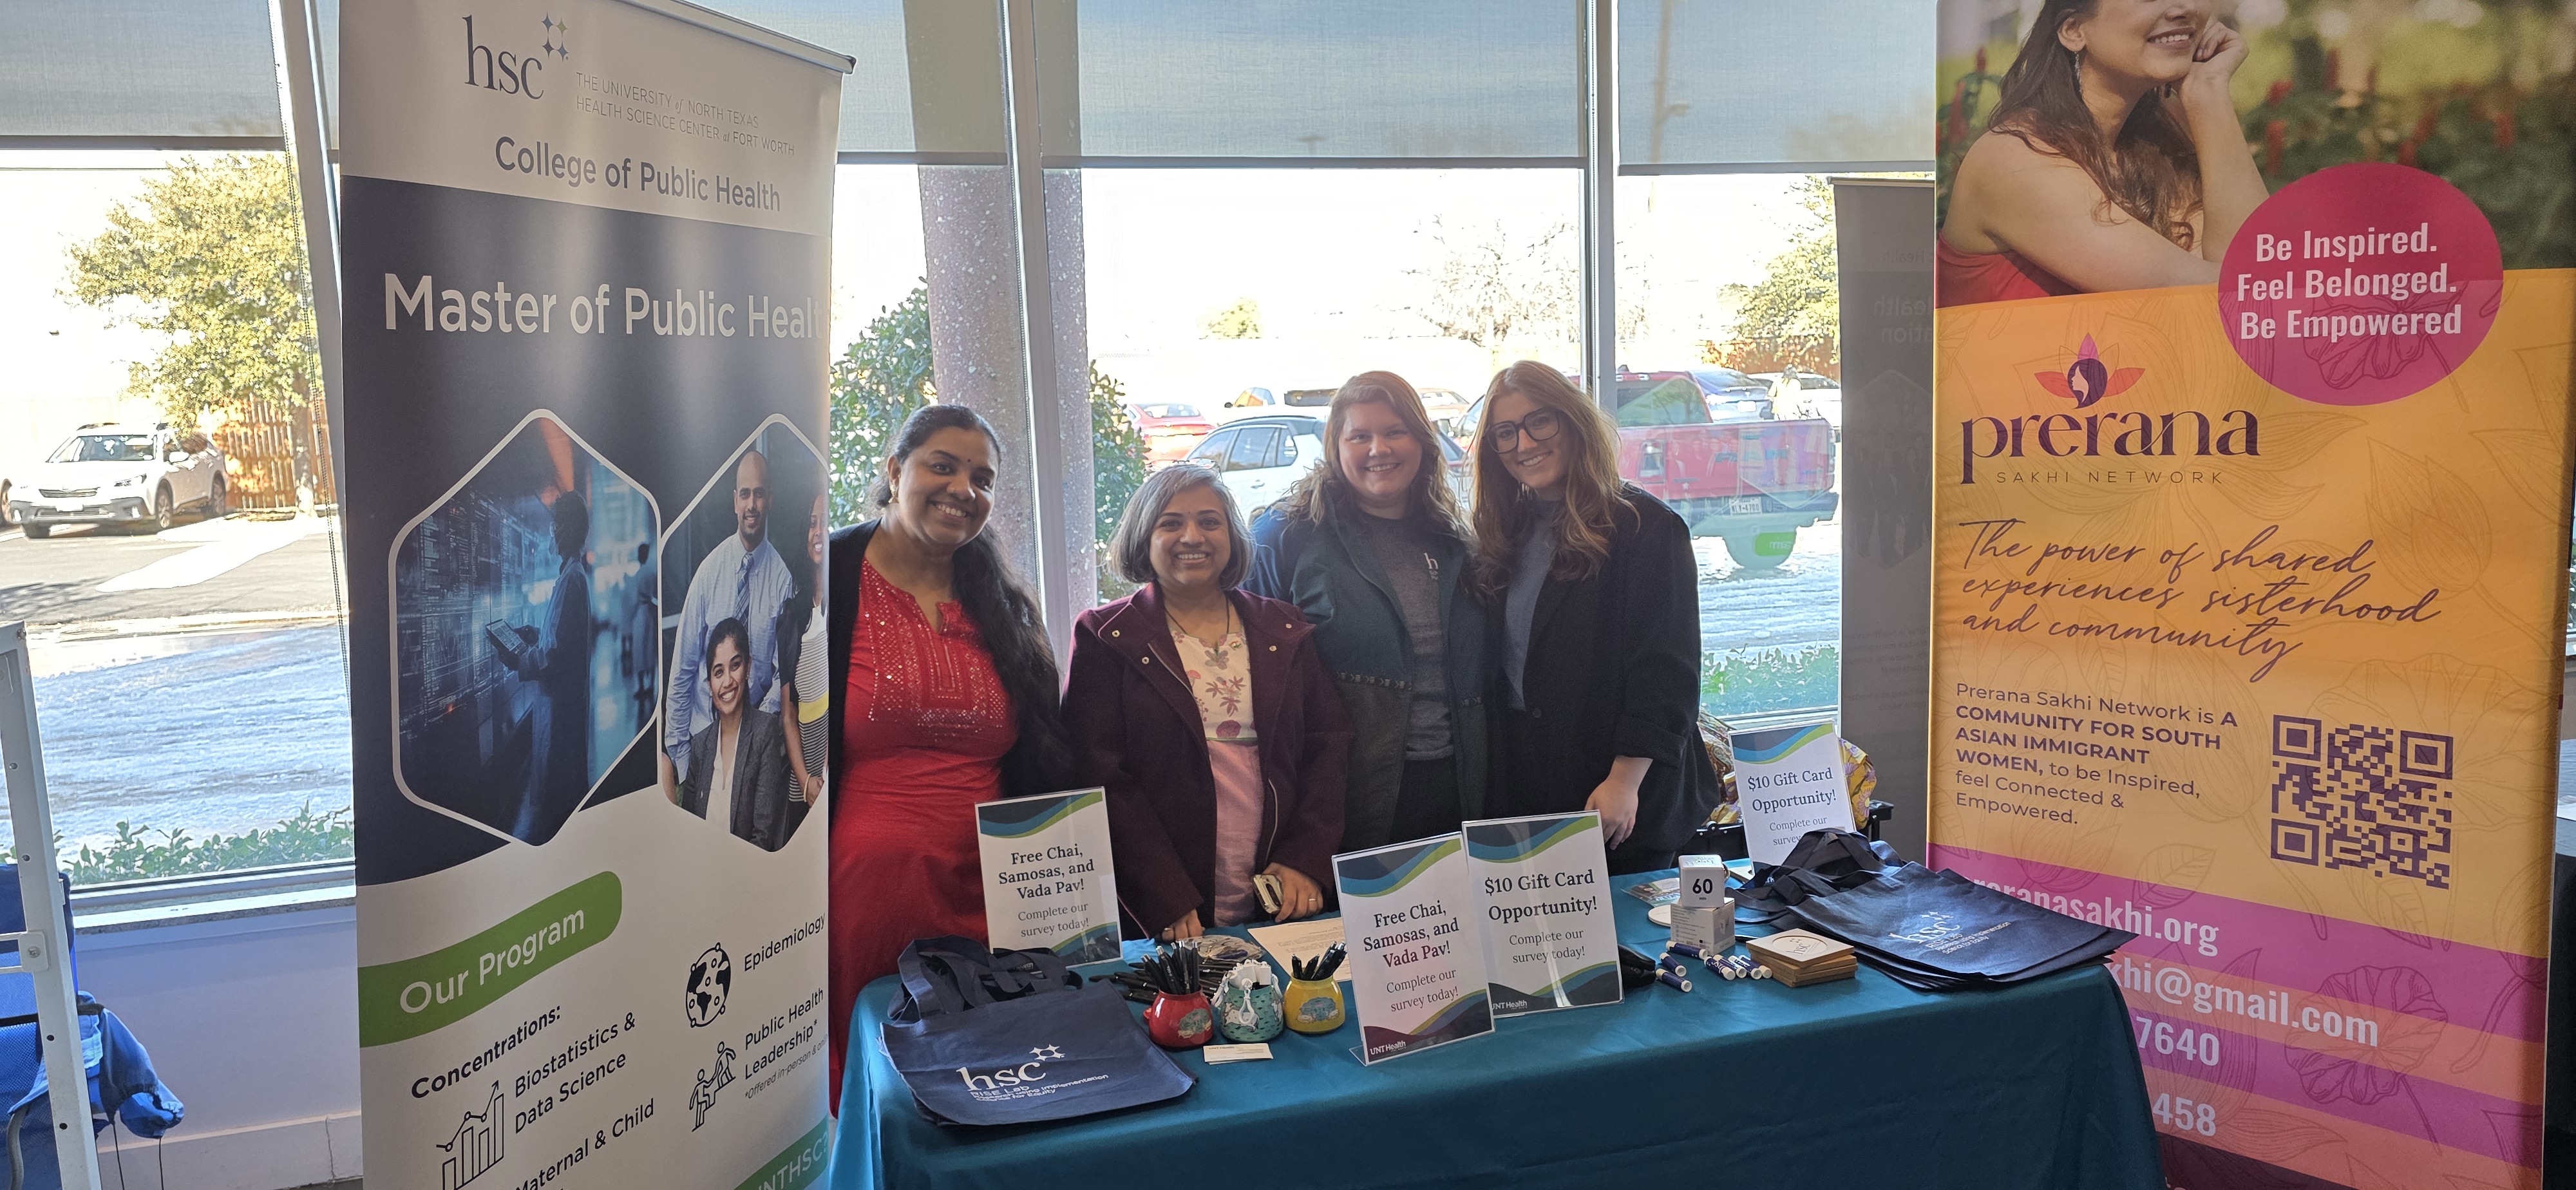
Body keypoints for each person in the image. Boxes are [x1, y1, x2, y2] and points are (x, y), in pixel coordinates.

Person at [826, 404, 1075, 1107]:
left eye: (982, 477)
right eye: (943, 465)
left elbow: (1044, 758)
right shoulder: (824, 578)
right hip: (862, 897)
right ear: (894, 469)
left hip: (993, 899)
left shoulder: (1003, 607)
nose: (964, 488)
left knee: (995, 1085)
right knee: (883, 1093)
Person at [1065, 465, 1350, 943]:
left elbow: (1330, 747)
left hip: (1280, 896)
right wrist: (1163, 893)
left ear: (1232, 537)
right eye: (1171, 523)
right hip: (1166, 910)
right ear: (1144, 538)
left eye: (1209, 522)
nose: (1191, 536)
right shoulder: (1105, 636)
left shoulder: (1284, 628)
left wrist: (1305, 859)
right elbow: (1099, 777)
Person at [1472, 362, 1719, 874]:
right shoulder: (1505, 533)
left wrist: (1624, 779)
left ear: (1572, 421)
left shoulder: (1644, 528)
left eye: (1539, 422)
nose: (1523, 443)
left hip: (1620, 793)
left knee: (1629, 948)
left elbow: (1667, 672)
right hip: (1532, 786)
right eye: (1505, 433)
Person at [1245, 370, 1487, 854]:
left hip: (1458, 789)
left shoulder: (1454, 540)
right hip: (1342, 797)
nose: (1380, 449)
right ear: (1336, 447)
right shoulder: (1286, 536)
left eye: (1395, 432)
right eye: (1361, 436)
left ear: (1422, 442)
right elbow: (1256, 682)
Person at [1937, 0, 2264, 305]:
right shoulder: (2014, 160)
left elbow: (2260, 269)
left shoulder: (2151, 151)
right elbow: (2229, 293)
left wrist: (2208, 89)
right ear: (2074, 31)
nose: (2186, 8)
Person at [664, 449, 795, 789]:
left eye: (760, 494)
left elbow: (782, 676)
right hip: (702, 742)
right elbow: (684, 669)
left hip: (755, 752)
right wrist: (680, 760)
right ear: (735, 501)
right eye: (746, 494)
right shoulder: (709, 573)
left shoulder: (783, 582)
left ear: (770, 500)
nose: (752, 504)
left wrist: (755, 737)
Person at [504, 491, 592, 842]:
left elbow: (554, 657)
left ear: (568, 529)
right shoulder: (572, 576)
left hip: (560, 715)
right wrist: (537, 634)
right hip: (562, 709)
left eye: (556, 525)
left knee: (558, 813)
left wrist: (517, 661)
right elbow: (560, 640)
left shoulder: (572, 580)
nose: (552, 532)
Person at [677, 618, 791, 845]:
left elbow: (764, 836)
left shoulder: (764, 732)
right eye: (718, 672)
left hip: (747, 874)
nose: (727, 681)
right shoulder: (700, 745)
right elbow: (687, 830)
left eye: (735, 665)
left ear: (748, 667)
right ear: (709, 685)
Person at [769, 487, 829, 852]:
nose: (818, 532)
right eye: (811, 524)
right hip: (804, 783)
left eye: (825, 523)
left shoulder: (850, 603)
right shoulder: (792, 616)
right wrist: (807, 782)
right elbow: (788, 714)